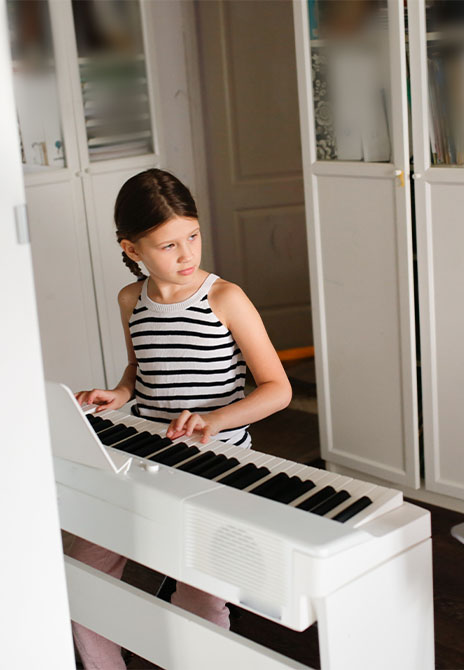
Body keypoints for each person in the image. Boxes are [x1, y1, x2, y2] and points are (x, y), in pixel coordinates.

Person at [70, 168, 292, 669]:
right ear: (133, 251)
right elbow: (139, 366)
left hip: (218, 466)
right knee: (83, 574)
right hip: (145, 459)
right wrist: (120, 392)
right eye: (168, 246)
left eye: (192, 236)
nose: (187, 254)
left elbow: (277, 389)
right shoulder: (132, 301)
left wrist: (215, 419)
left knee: (200, 595)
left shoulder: (225, 299)